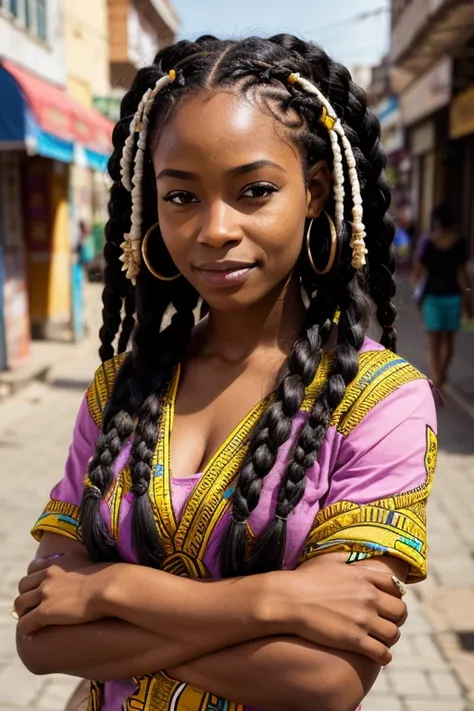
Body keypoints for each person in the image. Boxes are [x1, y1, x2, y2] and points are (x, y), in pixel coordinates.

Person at [13, 36, 437, 711]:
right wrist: (273, 598)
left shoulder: (378, 399)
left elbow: (325, 679)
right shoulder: (121, 386)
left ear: (315, 192)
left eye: (254, 191)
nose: (214, 228)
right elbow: (41, 639)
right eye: (181, 196)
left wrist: (106, 592)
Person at [413, 203, 472, 387]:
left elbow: (418, 272)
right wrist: (468, 296)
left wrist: (417, 292)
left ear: (436, 221)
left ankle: (436, 377)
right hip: (453, 298)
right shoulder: (460, 243)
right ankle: (441, 374)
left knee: (433, 341)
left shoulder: (428, 243)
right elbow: (463, 275)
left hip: (432, 298)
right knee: (448, 340)